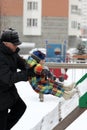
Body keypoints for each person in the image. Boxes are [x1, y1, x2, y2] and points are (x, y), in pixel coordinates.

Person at [0, 28, 36, 130]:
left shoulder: (11, 52)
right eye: (14, 44)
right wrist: (26, 74)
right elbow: (8, 78)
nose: (17, 46)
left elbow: (21, 63)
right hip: (1, 95)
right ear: (6, 43)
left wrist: (32, 68)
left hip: (8, 92)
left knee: (20, 108)